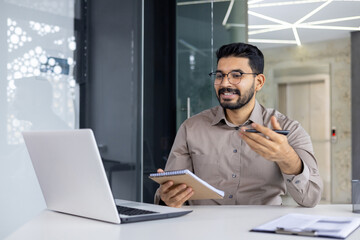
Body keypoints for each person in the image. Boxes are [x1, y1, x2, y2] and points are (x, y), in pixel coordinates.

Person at [154, 42, 323, 208]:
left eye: (236, 75)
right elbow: (169, 194)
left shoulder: (290, 130)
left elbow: (310, 198)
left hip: (262, 231)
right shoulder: (191, 128)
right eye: (219, 75)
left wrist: (288, 158)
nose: (225, 83)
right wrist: (166, 198)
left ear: (259, 82)